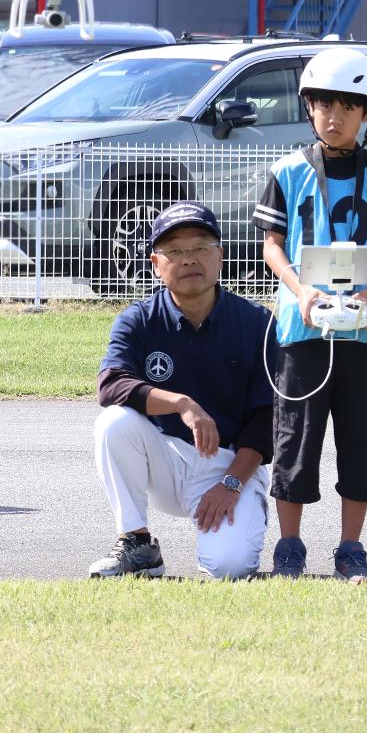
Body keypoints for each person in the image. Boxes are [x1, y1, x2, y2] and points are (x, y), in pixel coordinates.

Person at [252, 47, 367, 583]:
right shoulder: (287, 172)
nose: (334, 116)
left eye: (348, 106)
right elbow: (273, 244)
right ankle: (289, 545)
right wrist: (299, 291)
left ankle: (351, 548)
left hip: (365, 332)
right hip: (302, 330)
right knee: (295, 437)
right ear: (308, 107)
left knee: (362, 439)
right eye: (323, 103)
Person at [90, 201, 275, 580]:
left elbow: (268, 416)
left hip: (228, 466)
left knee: (230, 567)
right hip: (165, 459)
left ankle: (248, 510)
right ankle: (138, 544)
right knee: (113, 423)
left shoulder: (256, 323)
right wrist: (181, 404)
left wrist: (233, 483)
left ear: (220, 256)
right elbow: (110, 385)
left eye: (200, 248)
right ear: (157, 264)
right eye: (175, 251)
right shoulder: (138, 319)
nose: (189, 259)